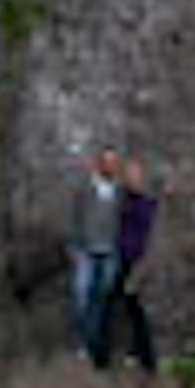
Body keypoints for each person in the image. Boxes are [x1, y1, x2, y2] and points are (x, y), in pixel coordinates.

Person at [95, 154, 159, 376]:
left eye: (136, 176)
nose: (133, 179)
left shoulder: (146, 204)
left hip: (134, 261)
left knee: (130, 308)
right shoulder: (120, 201)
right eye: (129, 176)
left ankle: (142, 358)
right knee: (114, 307)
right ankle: (113, 356)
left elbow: (146, 235)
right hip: (118, 258)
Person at [68, 144, 122, 359]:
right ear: (99, 164)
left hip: (110, 251)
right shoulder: (84, 188)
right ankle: (84, 341)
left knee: (104, 299)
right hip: (86, 250)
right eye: (106, 161)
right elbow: (74, 217)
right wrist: (73, 246)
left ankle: (97, 346)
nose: (110, 165)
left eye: (114, 162)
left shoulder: (119, 191)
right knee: (81, 296)